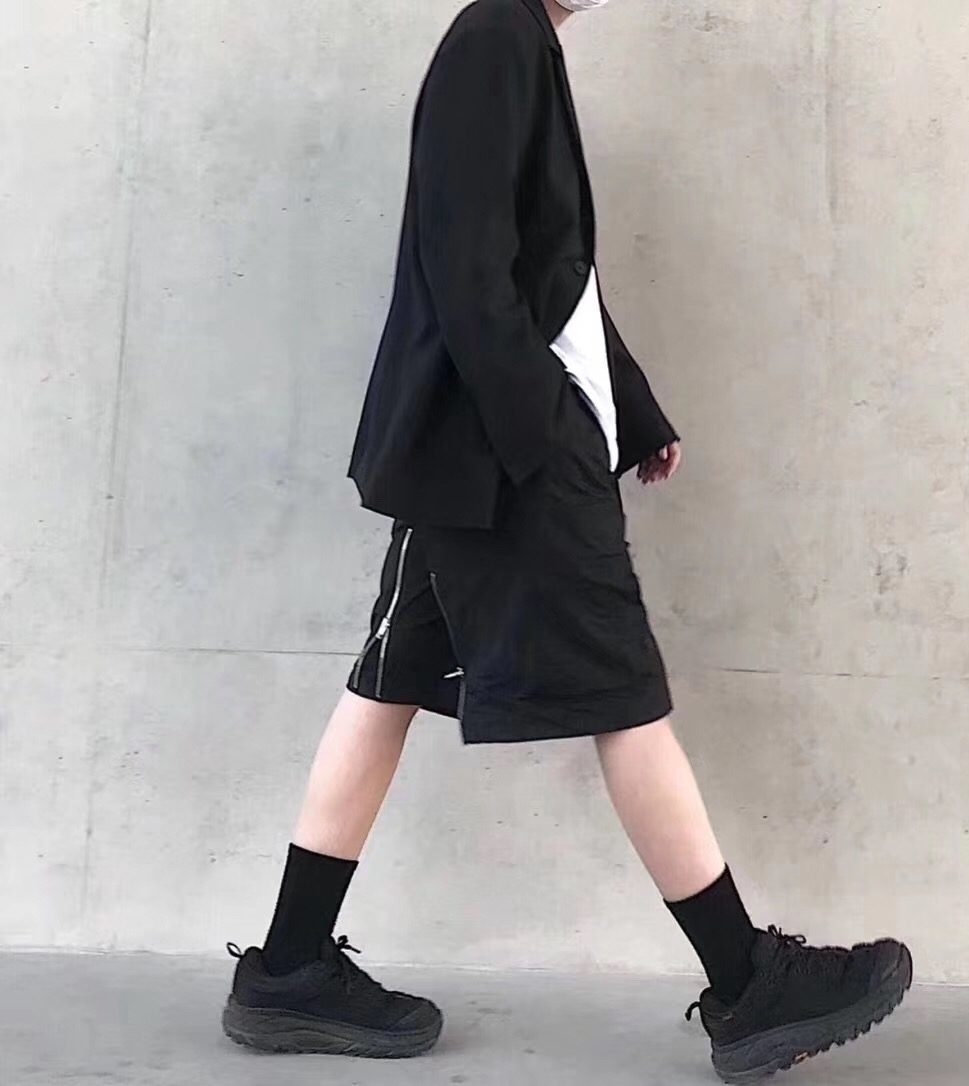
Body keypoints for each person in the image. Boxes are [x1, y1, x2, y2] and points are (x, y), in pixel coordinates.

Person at [221, 0, 913, 1079]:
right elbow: (465, 265)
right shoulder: (497, 37)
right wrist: (544, 433)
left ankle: (289, 966)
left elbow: (554, 276)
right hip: (507, 458)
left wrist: (629, 411)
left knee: (387, 684)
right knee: (623, 689)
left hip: (475, 450)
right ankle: (747, 984)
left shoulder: (518, 41)